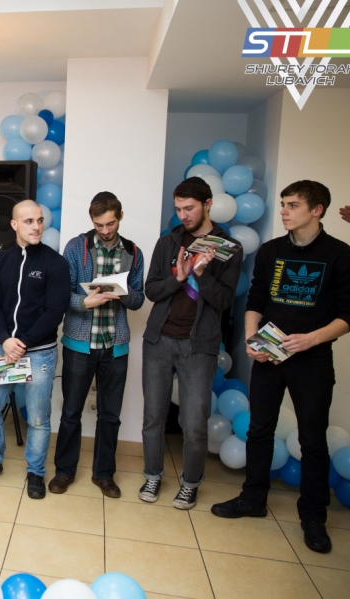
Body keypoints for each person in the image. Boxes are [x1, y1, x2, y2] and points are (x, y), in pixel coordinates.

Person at [212, 181, 350, 554]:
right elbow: (256, 299)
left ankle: (313, 517)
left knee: (312, 440)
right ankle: (253, 498)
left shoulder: (340, 254)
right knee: (259, 431)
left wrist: (312, 339)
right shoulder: (271, 251)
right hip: (270, 355)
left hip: (312, 360)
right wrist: (251, 338)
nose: (283, 211)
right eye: (283, 204)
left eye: (293, 205)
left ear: (317, 210)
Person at [140, 177, 242, 510]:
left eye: (189, 208)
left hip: (199, 346)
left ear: (207, 204)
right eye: (179, 209)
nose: (183, 215)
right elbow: (152, 291)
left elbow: (224, 300)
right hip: (159, 340)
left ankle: (190, 483)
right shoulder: (167, 242)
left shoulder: (229, 248)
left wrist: (201, 274)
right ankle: (152, 474)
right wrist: (179, 277)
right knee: (153, 417)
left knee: (195, 423)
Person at [0, 200, 71, 499]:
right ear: (14, 224)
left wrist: (22, 343)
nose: (36, 226)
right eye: (29, 221)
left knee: (38, 419)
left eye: (39, 220)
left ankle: (36, 472)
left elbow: (55, 312)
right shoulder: (2, 262)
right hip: (6, 350)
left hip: (38, 353)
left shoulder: (55, 263)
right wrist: (5, 340)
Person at [50, 192, 145, 498]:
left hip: (115, 346)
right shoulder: (76, 247)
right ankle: (64, 471)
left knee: (110, 416)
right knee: (71, 412)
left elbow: (139, 299)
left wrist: (122, 292)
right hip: (80, 344)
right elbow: (61, 294)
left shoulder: (133, 252)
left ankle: (104, 475)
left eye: (110, 223)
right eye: (99, 224)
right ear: (92, 220)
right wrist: (85, 302)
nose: (105, 230)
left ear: (120, 216)